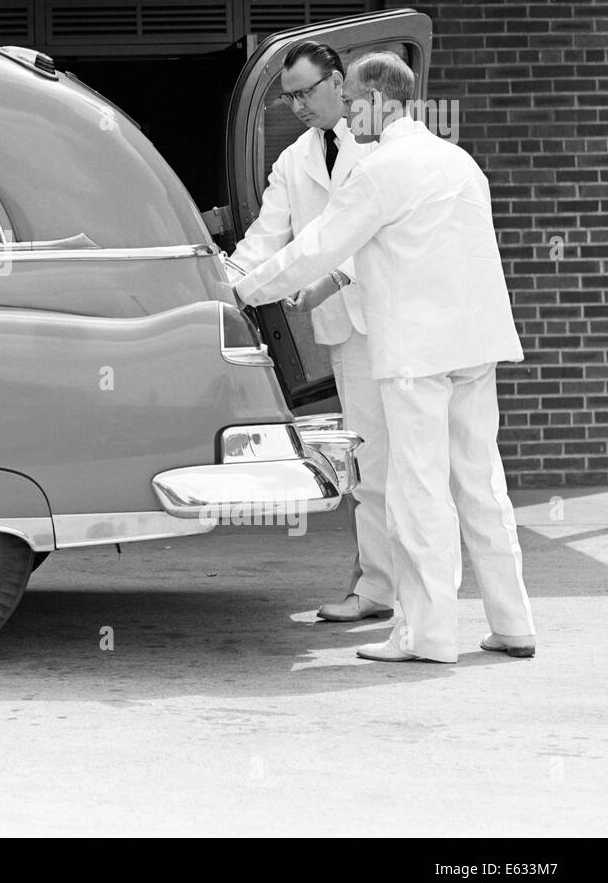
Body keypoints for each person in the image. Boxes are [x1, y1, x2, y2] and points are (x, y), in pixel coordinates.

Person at [233, 52, 536, 663]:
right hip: (475, 348)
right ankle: (513, 623)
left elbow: (314, 250)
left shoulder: (382, 168)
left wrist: (237, 292)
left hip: (413, 355)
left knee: (416, 489)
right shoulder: (458, 161)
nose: (345, 113)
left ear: (381, 102)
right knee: (481, 485)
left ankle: (426, 637)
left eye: (351, 103)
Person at [228, 41, 394, 624]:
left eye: (306, 91)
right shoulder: (293, 160)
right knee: (369, 460)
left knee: (417, 464)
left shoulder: (380, 145)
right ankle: (377, 585)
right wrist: (224, 284)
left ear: (340, 82)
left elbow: (365, 239)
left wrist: (316, 280)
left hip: (394, 321)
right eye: (290, 96)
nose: (298, 104)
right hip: (344, 334)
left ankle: (398, 590)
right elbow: (265, 240)